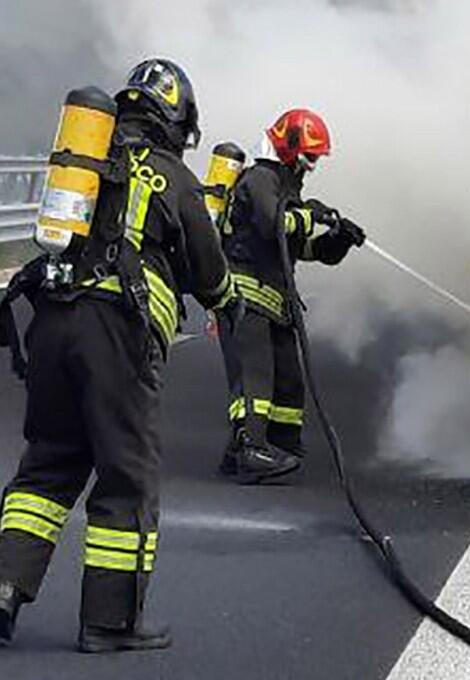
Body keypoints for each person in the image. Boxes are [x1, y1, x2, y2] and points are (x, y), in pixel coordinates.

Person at [0, 59, 236, 652]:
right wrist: (227, 300)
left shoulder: (89, 158)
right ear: (178, 119)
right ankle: (109, 622)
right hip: (117, 334)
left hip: (51, 320)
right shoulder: (172, 175)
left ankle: (3, 590)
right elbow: (206, 267)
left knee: (47, 465)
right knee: (126, 474)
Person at [217, 108, 364, 484]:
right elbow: (273, 226)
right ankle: (249, 450)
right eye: (309, 157)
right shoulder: (260, 178)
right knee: (256, 374)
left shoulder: (285, 188)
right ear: (289, 147)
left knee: (289, 381)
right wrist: (310, 216)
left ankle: (278, 448)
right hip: (246, 296)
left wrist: (338, 239)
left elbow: (301, 249)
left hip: (275, 300)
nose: (312, 166)